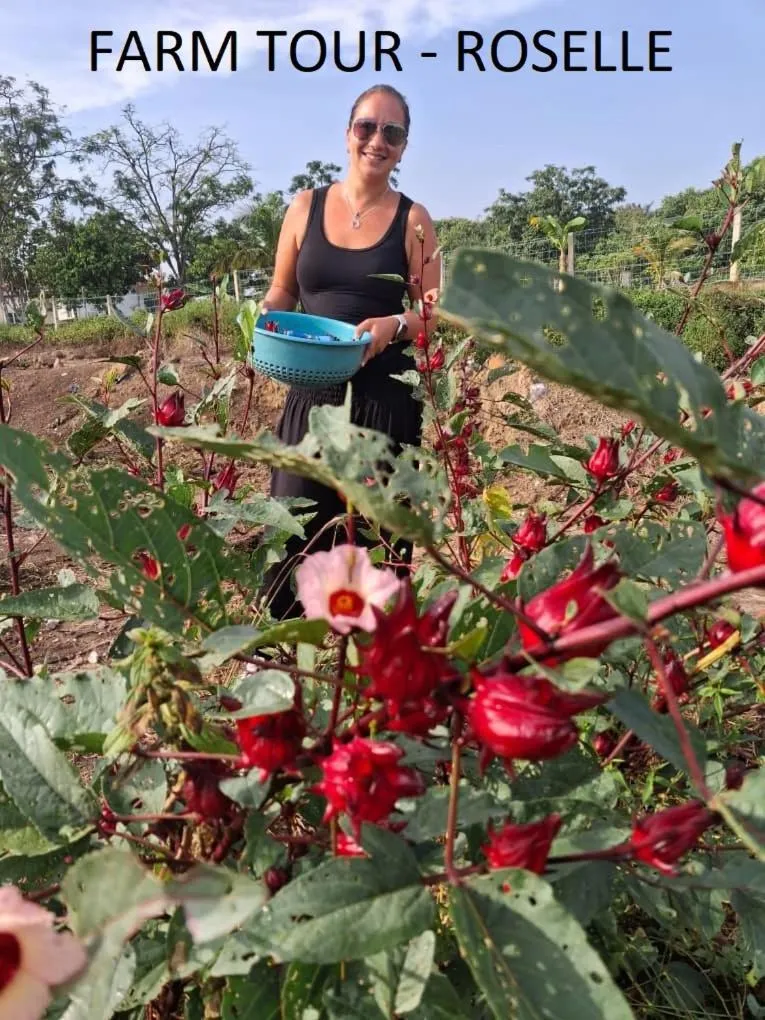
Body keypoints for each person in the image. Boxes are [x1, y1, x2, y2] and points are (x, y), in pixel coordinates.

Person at [258, 83, 441, 621]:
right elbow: (281, 291)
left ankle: (370, 678)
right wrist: (266, 316)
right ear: (347, 134)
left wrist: (393, 324)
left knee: (376, 549)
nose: (377, 140)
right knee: (291, 530)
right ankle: (281, 666)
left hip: (384, 403)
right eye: (366, 127)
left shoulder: (413, 220)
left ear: (404, 147)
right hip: (310, 397)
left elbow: (433, 311)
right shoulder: (304, 207)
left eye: (392, 132)